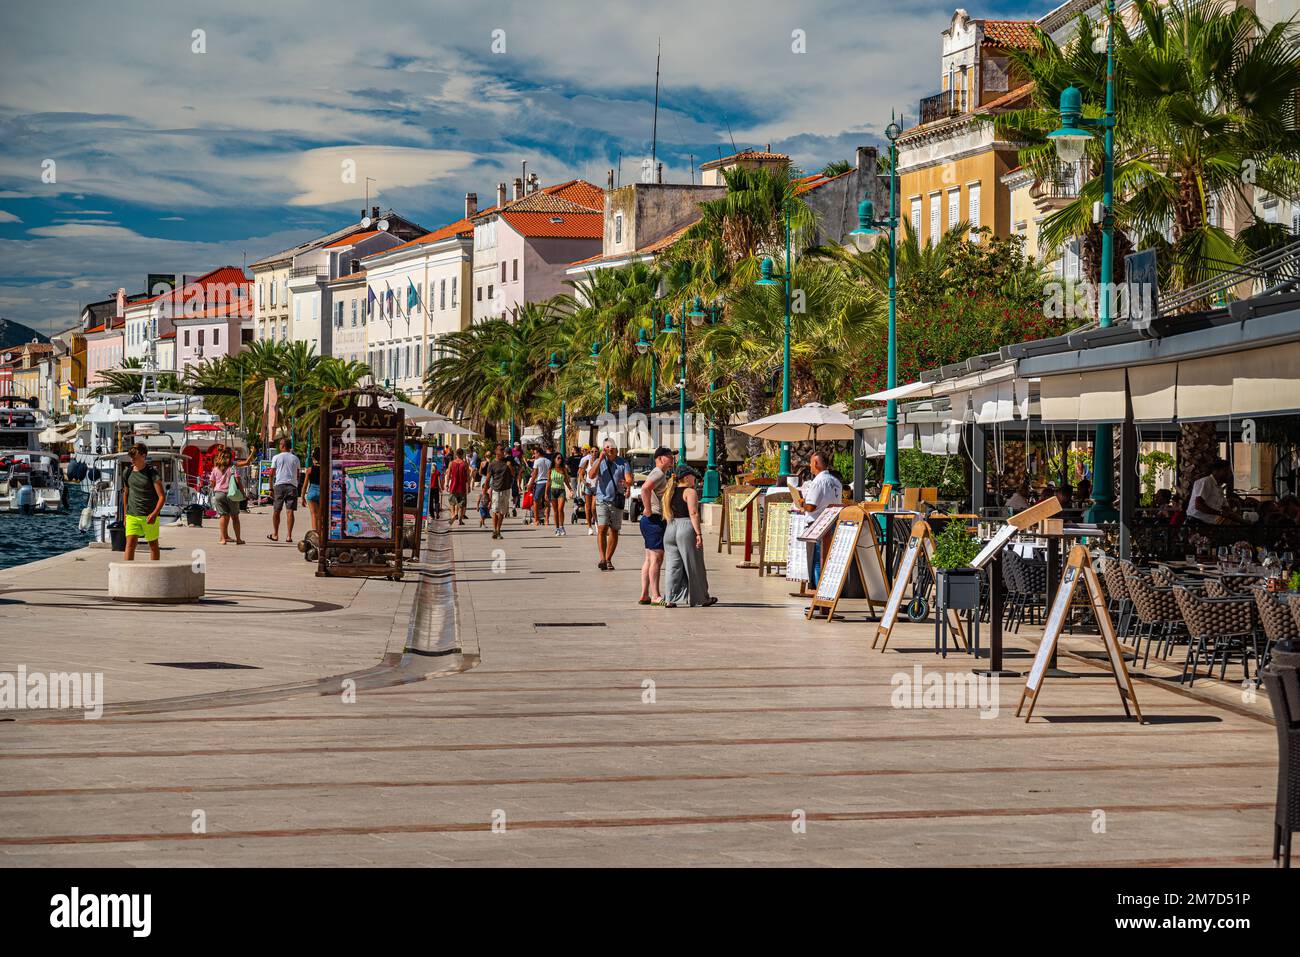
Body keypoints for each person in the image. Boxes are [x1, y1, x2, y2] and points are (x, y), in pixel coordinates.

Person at [661, 465, 717, 607]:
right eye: (693, 476)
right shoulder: (690, 492)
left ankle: (670, 598)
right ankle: (702, 598)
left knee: (672, 566)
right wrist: (698, 533)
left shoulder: (669, 491)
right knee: (695, 564)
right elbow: (693, 513)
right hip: (685, 528)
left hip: (670, 528)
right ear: (686, 477)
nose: (695, 479)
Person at [799, 451, 842, 588]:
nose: (810, 466)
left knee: (817, 561)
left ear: (816, 463)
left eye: (811, 463)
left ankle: (818, 593)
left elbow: (811, 506)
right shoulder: (836, 481)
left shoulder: (818, 482)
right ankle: (825, 592)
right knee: (827, 560)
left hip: (817, 524)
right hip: (832, 523)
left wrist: (801, 503)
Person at [638, 446, 675, 605]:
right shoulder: (658, 473)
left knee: (649, 558)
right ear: (660, 458)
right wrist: (647, 508)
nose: (672, 459)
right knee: (657, 558)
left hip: (650, 521)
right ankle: (655, 595)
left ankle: (645, 594)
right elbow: (645, 488)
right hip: (653, 519)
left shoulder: (661, 473)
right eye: (668, 456)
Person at [588, 439, 631, 571]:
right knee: (602, 529)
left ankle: (608, 559)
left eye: (612, 450)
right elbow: (591, 475)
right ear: (604, 450)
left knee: (614, 530)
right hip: (602, 500)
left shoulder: (623, 462)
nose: (610, 452)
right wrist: (600, 459)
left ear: (616, 451)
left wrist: (626, 483)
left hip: (617, 501)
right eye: (607, 449)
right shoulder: (599, 462)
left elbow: (629, 478)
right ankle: (602, 558)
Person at [121, 442, 164, 561]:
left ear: (143, 456)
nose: (132, 460)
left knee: (153, 545)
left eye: (134, 458)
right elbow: (126, 493)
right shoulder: (127, 472)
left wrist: (154, 514)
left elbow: (162, 497)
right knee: (129, 545)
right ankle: (127, 573)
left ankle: (155, 571)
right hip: (132, 515)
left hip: (149, 516)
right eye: (131, 458)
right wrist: (125, 516)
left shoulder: (152, 473)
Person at [209, 447, 246, 545]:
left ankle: (222, 539)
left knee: (222, 516)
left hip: (219, 494)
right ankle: (238, 539)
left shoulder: (215, 469)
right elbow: (238, 480)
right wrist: (243, 493)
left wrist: (215, 491)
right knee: (235, 517)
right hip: (231, 494)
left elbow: (212, 483)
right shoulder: (232, 468)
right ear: (229, 458)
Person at [268, 438, 301, 543]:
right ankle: (289, 536)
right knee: (290, 511)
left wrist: (270, 488)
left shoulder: (276, 457)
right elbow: (298, 474)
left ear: (282, 445)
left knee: (276, 510)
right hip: (292, 486)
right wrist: (295, 484)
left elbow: (271, 473)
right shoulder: (295, 459)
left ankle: (275, 534)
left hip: (279, 486)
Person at [1187, 458, 1234, 525]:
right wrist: (1220, 513)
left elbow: (1227, 510)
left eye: (1229, 472)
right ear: (1216, 471)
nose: (1229, 474)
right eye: (1226, 471)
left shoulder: (1219, 489)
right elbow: (1198, 505)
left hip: (1208, 525)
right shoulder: (1206, 482)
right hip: (1195, 523)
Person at [484, 445, 516, 539]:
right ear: (496, 452)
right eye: (501, 450)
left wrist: (510, 467)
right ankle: (494, 529)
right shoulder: (492, 464)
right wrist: (485, 491)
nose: (503, 451)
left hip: (506, 489)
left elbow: (514, 474)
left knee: (502, 512)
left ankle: (498, 530)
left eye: (504, 450)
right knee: (495, 510)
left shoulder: (508, 461)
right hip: (496, 489)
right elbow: (488, 478)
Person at [300, 447, 322, 537]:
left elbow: (305, 485)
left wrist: (302, 497)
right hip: (322, 492)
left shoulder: (309, 470)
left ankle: (315, 535)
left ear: (313, 458)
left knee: (313, 515)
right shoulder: (325, 469)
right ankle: (321, 534)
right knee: (321, 515)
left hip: (312, 492)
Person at [445, 448, 470, 525]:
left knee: (452, 502)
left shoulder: (451, 463)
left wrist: (446, 484)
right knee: (462, 504)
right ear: (462, 454)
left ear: (456, 454)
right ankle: (460, 519)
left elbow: (448, 475)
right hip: (462, 487)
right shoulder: (465, 464)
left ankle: (453, 515)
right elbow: (468, 476)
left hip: (453, 486)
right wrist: (468, 486)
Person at [529, 447, 552, 528]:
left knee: (536, 501)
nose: (534, 455)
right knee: (547, 502)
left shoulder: (537, 461)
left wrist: (530, 484)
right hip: (548, 482)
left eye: (535, 453)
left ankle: (536, 519)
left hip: (540, 482)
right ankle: (547, 520)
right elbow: (550, 473)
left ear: (539, 453)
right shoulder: (548, 461)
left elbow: (535, 474)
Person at [577, 445, 598, 535]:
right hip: (588, 487)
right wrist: (584, 482)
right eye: (592, 451)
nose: (594, 453)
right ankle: (589, 527)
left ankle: (596, 522)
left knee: (594, 507)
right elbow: (580, 473)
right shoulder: (587, 461)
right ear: (589, 453)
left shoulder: (600, 461)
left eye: (596, 451)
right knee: (588, 508)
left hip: (597, 487)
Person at [548, 456, 571, 536]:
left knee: (560, 509)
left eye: (561, 458)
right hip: (553, 490)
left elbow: (566, 480)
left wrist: (570, 489)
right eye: (558, 458)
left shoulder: (563, 469)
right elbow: (548, 482)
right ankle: (557, 528)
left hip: (561, 490)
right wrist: (545, 493)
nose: (560, 460)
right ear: (554, 459)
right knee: (555, 511)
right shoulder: (551, 470)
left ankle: (562, 526)